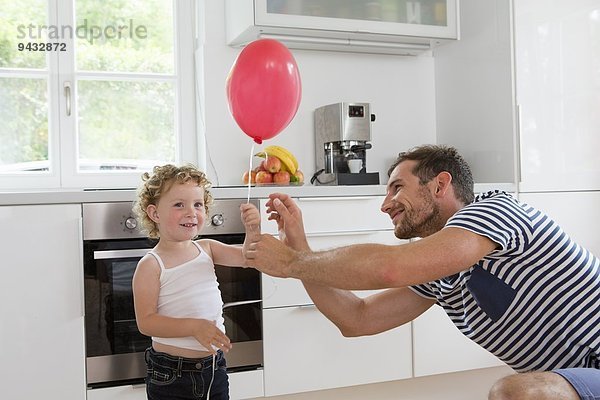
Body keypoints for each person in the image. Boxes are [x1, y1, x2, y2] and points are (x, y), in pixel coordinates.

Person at [244, 145, 600, 400]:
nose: (385, 205)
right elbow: (357, 319)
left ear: (440, 185)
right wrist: (300, 248)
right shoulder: (440, 270)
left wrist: (290, 263)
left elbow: (389, 268)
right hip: (578, 376)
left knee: (518, 393)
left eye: (397, 187)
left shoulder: (496, 211)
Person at [132, 164, 260, 400]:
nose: (191, 212)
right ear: (155, 213)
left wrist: (252, 230)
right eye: (179, 204)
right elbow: (147, 323)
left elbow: (248, 259)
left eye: (198, 204)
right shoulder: (151, 265)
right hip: (171, 375)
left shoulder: (207, 248)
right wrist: (194, 327)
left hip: (215, 368)